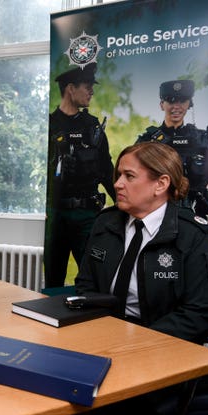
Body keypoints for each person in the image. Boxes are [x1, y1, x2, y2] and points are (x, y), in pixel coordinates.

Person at [76, 142, 208, 415]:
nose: (117, 183)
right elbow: (85, 286)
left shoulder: (192, 235)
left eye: (129, 176)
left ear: (161, 184)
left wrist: (137, 345)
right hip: (105, 344)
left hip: (164, 351)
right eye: (119, 175)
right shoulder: (105, 224)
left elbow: (202, 311)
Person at [44, 63, 116, 288]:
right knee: (54, 279)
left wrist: (124, 205)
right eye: (87, 86)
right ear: (70, 89)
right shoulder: (48, 125)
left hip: (87, 216)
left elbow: (106, 169)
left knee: (92, 278)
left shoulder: (92, 126)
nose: (91, 92)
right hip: (55, 216)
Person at [136, 79, 208, 222]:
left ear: (190, 104)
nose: (176, 106)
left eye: (182, 101)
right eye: (170, 100)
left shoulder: (201, 140)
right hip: (157, 218)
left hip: (195, 218)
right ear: (162, 105)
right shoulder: (148, 141)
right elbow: (133, 179)